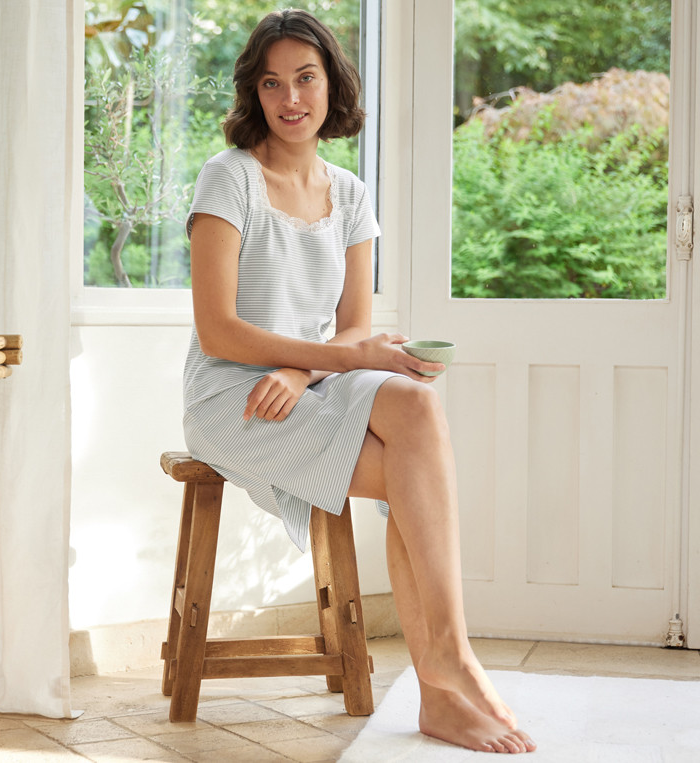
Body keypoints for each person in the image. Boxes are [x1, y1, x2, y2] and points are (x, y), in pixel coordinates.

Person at [182, 8, 536, 755]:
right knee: (416, 475)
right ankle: (447, 666)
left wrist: (303, 364)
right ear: (255, 92)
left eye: (305, 78)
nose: (290, 98)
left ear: (330, 85)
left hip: (299, 383)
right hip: (230, 399)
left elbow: (350, 326)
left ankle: (444, 666)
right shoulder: (229, 178)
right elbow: (217, 330)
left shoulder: (349, 192)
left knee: (414, 400)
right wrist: (332, 360)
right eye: (272, 82)